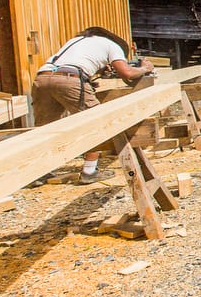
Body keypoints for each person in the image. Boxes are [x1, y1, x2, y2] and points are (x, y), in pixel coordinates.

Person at [32, 26, 154, 184]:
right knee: (97, 123)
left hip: (42, 79)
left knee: (45, 128)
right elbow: (127, 73)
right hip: (70, 79)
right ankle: (89, 171)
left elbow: (71, 65)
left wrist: (88, 80)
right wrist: (145, 68)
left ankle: (39, 174)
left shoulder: (75, 41)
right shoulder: (113, 45)